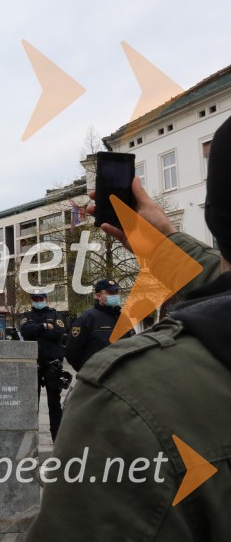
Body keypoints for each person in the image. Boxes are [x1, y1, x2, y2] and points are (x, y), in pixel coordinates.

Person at [27, 116, 231, 540]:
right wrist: (164, 245)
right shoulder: (86, 319)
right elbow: (72, 347)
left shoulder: (129, 399)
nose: (111, 295)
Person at [18, 290, 66, 441]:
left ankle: (57, 438)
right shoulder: (26, 316)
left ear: (46, 299)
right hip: (33, 364)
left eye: (40, 298)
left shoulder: (56, 315)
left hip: (53, 364)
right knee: (32, 404)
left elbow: (58, 333)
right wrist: (45, 326)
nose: (38, 301)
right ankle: (30, 440)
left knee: (54, 404)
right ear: (31, 300)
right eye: (35, 299)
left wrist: (37, 330)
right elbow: (25, 332)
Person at [64, 278, 133, 372]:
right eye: (110, 292)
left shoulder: (123, 317)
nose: (115, 295)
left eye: (116, 292)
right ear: (98, 296)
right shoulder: (87, 317)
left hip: (121, 375)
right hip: (96, 377)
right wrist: (86, 372)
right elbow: (72, 351)